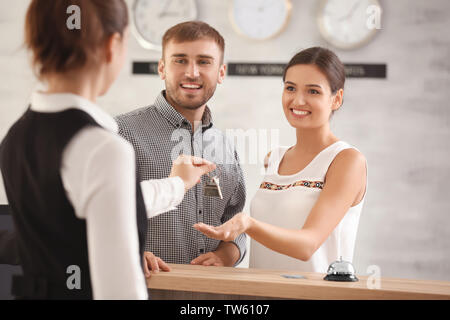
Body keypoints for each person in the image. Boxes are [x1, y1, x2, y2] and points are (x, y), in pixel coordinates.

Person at [0, 0, 215, 299]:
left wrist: (177, 185)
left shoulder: (16, 136)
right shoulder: (103, 148)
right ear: (112, 45)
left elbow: (97, 205)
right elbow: (120, 290)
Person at [194, 47, 367, 273]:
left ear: (336, 99)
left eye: (313, 91)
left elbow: (307, 245)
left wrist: (248, 224)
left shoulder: (347, 161)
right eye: (290, 88)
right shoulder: (274, 159)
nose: (298, 100)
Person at [115, 21, 247, 276]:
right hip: (143, 287)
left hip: (210, 297)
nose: (192, 72)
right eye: (180, 60)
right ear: (162, 68)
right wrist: (129, 251)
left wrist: (226, 255)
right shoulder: (121, 132)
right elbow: (97, 213)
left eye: (204, 62)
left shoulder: (226, 147)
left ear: (221, 72)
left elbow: (236, 224)